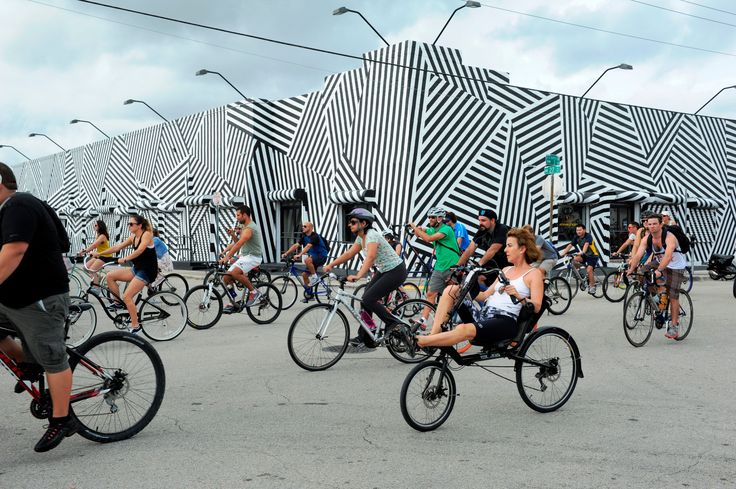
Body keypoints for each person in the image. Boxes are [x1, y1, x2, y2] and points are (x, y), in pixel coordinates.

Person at [0, 162, 74, 452]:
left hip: (40, 298)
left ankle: (61, 418)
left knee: (53, 355)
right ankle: (29, 365)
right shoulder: (6, 211)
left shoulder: (19, 205)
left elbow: (14, 250)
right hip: (13, 299)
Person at [415, 227, 544, 351]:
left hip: (505, 321)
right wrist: (465, 288)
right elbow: (484, 295)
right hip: (485, 316)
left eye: (509, 246)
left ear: (522, 249)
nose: (505, 250)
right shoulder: (506, 270)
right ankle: (433, 336)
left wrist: (518, 295)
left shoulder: (533, 274)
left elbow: (537, 306)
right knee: (451, 290)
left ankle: (421, 341)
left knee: (462, 329)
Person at [323, 208, 407, 347]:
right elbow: (349, 254)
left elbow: (371, 257)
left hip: (396, 271)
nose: (350, 225)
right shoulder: (361, 238)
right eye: (350, 222)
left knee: (369, 298)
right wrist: (331, 265)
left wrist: (359, 275)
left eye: (353, 222)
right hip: (385, 270)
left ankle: (394, 323)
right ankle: (367, 334)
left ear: (364, 224)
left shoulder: (372, 235)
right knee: (365, 299)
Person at [91, 214, 157, 334]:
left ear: (139, 225)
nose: (129, 226)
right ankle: (117, 303)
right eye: (128, 224)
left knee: (127, 296)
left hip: (147, 271)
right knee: (110, 276)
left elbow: (140, 250)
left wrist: (125, 259)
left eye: (131, 224)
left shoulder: (146, 234)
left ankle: (136, 326)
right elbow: (117, 247)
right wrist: (100, 254)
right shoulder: (133, 237)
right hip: (137, 268)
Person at [627, 213, 686, 340]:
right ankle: (657, 296)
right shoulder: (647, 238)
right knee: (642, 273)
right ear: (647, 225)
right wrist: (631, 268)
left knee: (673, 295)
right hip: (659, 261)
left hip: (675, 265)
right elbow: (638, 255)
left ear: (661, 224)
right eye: (650, 224)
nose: (652, 226)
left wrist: (659, 270)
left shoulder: (669, 237)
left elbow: (668, 256)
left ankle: (674, 326)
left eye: (655, 224)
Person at [409, 207, 460, 326]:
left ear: (440, 218)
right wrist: (419, 229)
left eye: (432, 217)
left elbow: (428, 238)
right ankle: (423, 320)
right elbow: (423, 232)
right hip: (439, 267)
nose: (430, 219)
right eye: (429, 217)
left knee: (453, 296)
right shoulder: (433, 229)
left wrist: (415, 227)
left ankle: (456, 319)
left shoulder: (447, 229)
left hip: (451, 267)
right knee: (431, 294)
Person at [219, 204, 264, 311]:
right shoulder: (244, 227)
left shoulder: (250, 228)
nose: (236, 217)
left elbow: (239, 244)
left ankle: (254, 292)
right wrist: (233, 235)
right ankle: (233, 302)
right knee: (226, 277)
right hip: (245, 256)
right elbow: (237, 242)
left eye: (238, 215)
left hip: (253, 257)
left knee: (235, 273)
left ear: (245, 215)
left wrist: (227, 257)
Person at [281, 221, 329, 299]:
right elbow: (296, 245)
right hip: (314, 258)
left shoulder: (315, 236)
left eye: (305, 226)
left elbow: (308, 246)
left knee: (307, 260)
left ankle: (315, 278)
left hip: (321, 256)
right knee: (304, 275)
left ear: (310, 228)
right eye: (302, 226)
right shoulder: (304, 236)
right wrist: (286, 253)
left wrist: (299, 255)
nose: (303, 227)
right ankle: (310, 294)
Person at [560, 223, 599, 295]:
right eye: (577, 230)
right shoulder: (576, 237)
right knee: (573, 261)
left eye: (580, 230)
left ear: (584, 230)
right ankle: (582, 276)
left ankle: (592, 286)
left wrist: (582, 252)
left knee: (589, 269)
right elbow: (570, 245)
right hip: (583, 256)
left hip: (592, 256)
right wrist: (562, 253)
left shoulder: (588, 236)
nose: (578, 232)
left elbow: (586, 244)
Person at [78, 220, 114, 287]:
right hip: (99, 255)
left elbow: (94, 245)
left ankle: (96, 288)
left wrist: (84, 251)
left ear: (100, 226)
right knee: (85, 268)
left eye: (95, 225)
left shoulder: (102, 236)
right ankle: (99, 278)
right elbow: (98, 247)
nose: (94, 226)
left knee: (92, 270)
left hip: (105, 256)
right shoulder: (98, 235)